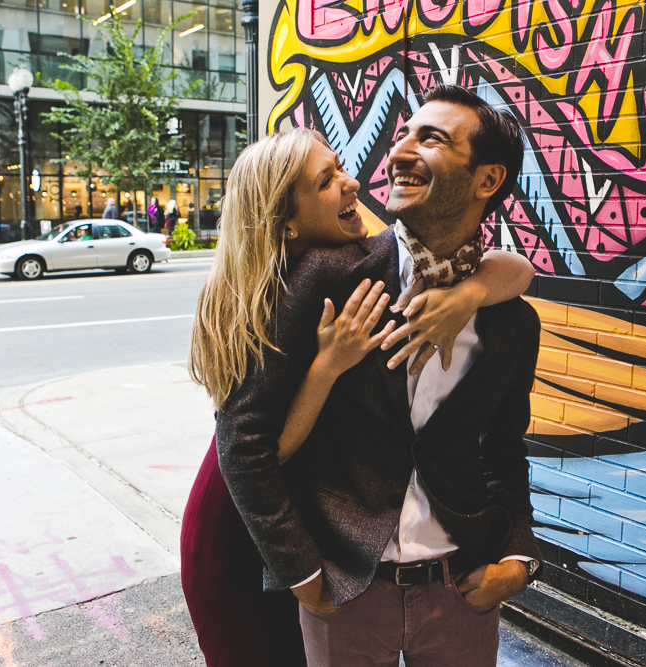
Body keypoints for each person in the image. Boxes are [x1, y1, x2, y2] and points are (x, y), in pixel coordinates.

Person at [214, 85, 541, 667]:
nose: (398, 152)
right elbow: (242, 439)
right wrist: (303, 574)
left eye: (431, 139)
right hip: (345, 592)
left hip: (462, 592)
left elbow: (504, 448)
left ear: (487, 182)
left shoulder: (512, 322)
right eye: (405, 134)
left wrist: (516, 560)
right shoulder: (325, 279)